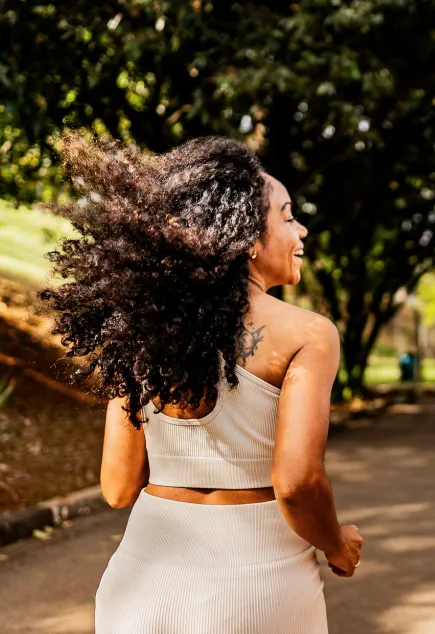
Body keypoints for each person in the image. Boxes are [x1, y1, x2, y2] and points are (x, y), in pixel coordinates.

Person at [40, 134, 363, 633]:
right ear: (248, 238)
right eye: (287, 215)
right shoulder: (307, 333)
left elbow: (118, 487)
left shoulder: (142, 332)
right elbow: (297, 483)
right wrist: (337, 545)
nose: (301, 230)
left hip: (142, 583)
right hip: (259, 586)